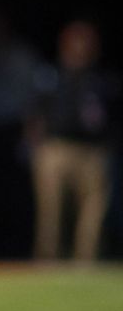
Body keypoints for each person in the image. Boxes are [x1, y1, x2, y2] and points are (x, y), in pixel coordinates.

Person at [29, 21, 118, 262]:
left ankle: (87, 264)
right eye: (77, 41)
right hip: (56, 149)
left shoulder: (103, 79)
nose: (82, 47)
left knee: (94, 212)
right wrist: (36, 149)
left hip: (93, 152)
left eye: (87, 42)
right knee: (51, 213)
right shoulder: (50, 76)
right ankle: (48, 263)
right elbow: (34, 114)